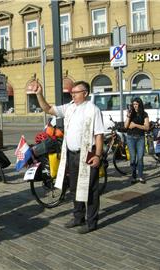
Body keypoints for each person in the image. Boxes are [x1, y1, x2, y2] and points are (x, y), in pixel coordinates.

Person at [35, 81, 104, 234]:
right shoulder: (70, 107)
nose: (72, 94)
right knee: (73, 187)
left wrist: (98, 155)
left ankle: (91, 222)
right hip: (71, 154)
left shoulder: (93, 110)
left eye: (76, 92)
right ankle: (78, 217)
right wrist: (39, 93)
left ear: (85, 93)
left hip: (88, 154)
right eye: (72, 92)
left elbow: (99, 135)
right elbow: (48, 108)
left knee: (90, 189)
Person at [124, 97, 149, 184]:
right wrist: (128, 116)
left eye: (137, 104)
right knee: (133, 158)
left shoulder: (144, 114)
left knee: (140, 157)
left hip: (140, 138)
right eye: (134, 104)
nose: (135, 106)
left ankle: (141, 176)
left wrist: (135, 125)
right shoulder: (131, 113)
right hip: (130, 137)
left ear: (140, 105)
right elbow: (126, 126)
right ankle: (133, 176)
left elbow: (147, 127)